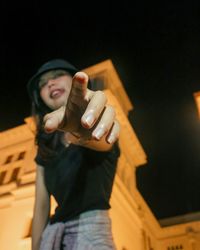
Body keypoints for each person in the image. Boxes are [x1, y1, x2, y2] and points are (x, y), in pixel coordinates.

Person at [27, 58, 121, 250]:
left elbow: (101, 141)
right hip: (52, 237)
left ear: (77, 81)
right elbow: (41, 207)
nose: (50, 83)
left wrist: (83, 130)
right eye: (43, 84)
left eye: (57, 76)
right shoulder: (44, 147)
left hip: (92, 234)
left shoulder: (99, 124)